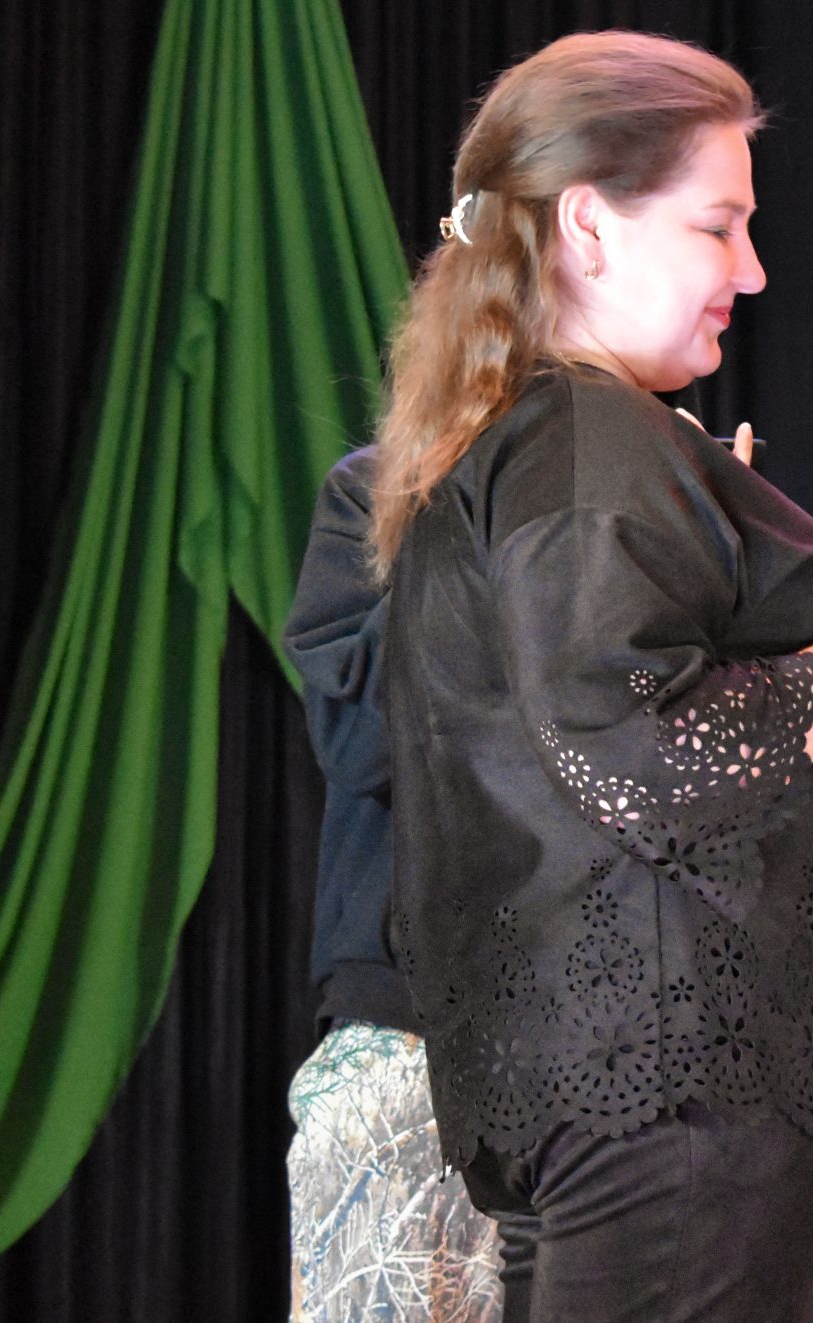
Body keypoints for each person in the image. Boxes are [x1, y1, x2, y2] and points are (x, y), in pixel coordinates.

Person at [372, 32, 813, 1323]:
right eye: (719, 226)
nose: (750, 271)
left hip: (598, 1082)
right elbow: (642, 758)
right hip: (672, 1086)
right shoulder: (586, 438)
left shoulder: (516, 432)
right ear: (588, 225)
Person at [283, 446, 504, 1322]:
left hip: (614, 1060)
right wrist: (489, 523)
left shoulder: (639, 489)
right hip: (413, 1045)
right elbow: (361, 739)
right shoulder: (387, 492)